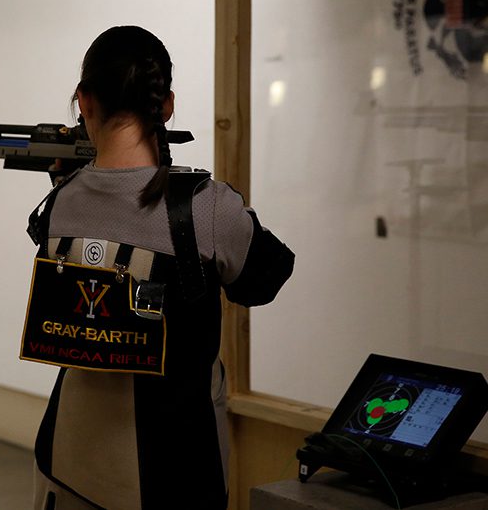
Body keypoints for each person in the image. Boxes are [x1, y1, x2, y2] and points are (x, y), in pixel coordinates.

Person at [27, 25, 294, 510]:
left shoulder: (58, 204)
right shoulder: (205, 208)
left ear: (84, 102)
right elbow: (266, 278)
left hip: (66, 458)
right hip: (174, 473)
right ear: (166, 104)